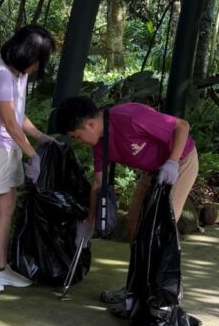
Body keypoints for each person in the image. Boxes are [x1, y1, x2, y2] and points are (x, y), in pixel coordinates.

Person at [0, 25, 55, 293]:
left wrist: (40, 136)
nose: (38, 66)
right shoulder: (0, 74)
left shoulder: (20, 75)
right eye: (38, 59)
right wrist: (33, 154)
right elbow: (8, 121)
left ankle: (0, 266)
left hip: (10, 149)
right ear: (26, 53)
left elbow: (18, 115)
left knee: (6, 210)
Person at [53, 95, 199, 249]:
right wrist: (90, 222)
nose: (80, 142)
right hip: (153, 170)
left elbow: (182, 126)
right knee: (133, 224)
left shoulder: (131, 117)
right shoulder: (100, 145)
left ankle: (161, 264)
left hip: (180, 161)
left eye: (77, 137)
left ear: (90, 125)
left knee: (160, 225)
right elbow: (98, 182)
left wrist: (172, 162)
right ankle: (140, 263)